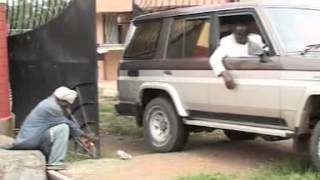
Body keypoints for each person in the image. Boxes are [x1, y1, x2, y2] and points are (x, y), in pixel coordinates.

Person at [0, 86, 95, 170]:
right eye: (67, 104)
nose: (68, 107)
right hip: (31, 140)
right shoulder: (52, 107)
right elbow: (69, 124)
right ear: (62, 101)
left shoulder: (49, 102)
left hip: (33, 137)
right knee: (63, 128)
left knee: (62, 127)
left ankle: (51, 159)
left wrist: (82, 137)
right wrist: (85, 136)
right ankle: (55, 163)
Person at [209, 23, 264, 89]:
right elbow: (214, 59)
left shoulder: (256, 38)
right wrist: (226, 75)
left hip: (257, 76)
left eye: (244, 34)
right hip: (237, 78)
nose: (241, 35)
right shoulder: (226, 41)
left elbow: (264, 52)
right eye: (238, 33)